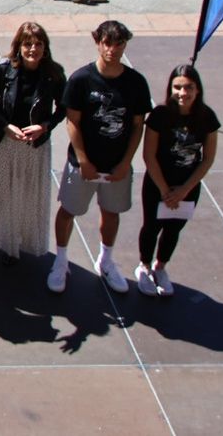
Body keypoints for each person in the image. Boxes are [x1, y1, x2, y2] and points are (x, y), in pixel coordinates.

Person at [47, 20, 152, 294]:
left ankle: (105, 260)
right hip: (82, 165)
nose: (113, 49)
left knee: (111, 212)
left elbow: (138, 125)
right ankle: (61, 261)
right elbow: (72, 122)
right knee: (68, 211)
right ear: (98, 42)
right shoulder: (82, 80)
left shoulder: (136, 83)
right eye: (108, 43)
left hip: (117, 165)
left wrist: (126, 163)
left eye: (119, 44)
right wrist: (82, 159)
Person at [0, 22, 65, 263]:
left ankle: (15, 241)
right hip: (6, 140)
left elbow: (63, 108)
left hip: (34, 145)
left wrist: (44, 127)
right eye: (28, 44)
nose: (33, 49)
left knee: (25, 194)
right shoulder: (5, 68)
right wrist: (5, 126)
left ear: (45, 47)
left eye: (38, 44)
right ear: (19, 46)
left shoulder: (54, 73)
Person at [135, 63, 218, 296]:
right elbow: (149, 155)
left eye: (189, 87)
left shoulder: (207, 118)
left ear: (198, 89)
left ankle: (160, 267)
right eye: (178, 87)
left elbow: (207, 159)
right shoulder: (159, 116)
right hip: (157, 184)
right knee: (151, 227)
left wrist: (183, 190)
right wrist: (164, 189)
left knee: (173, 230)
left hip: (187, 187)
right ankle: (143, 266)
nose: (183, 93)